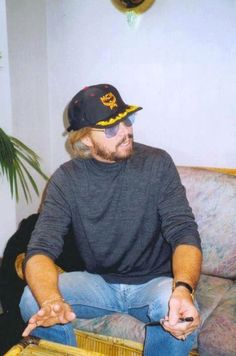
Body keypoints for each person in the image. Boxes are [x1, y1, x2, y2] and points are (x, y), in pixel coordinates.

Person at [20, 84, 202, 355]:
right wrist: (51, 301)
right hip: (99, 283)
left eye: (126, 119)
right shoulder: (66, 179)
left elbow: (184, 232)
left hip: (154, 283)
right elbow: (40, 250)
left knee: (182, 313)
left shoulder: (157, 163)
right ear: (84, 140)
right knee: (30, 300)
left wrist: (184, 288)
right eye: (110, 128)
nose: (126, 131)